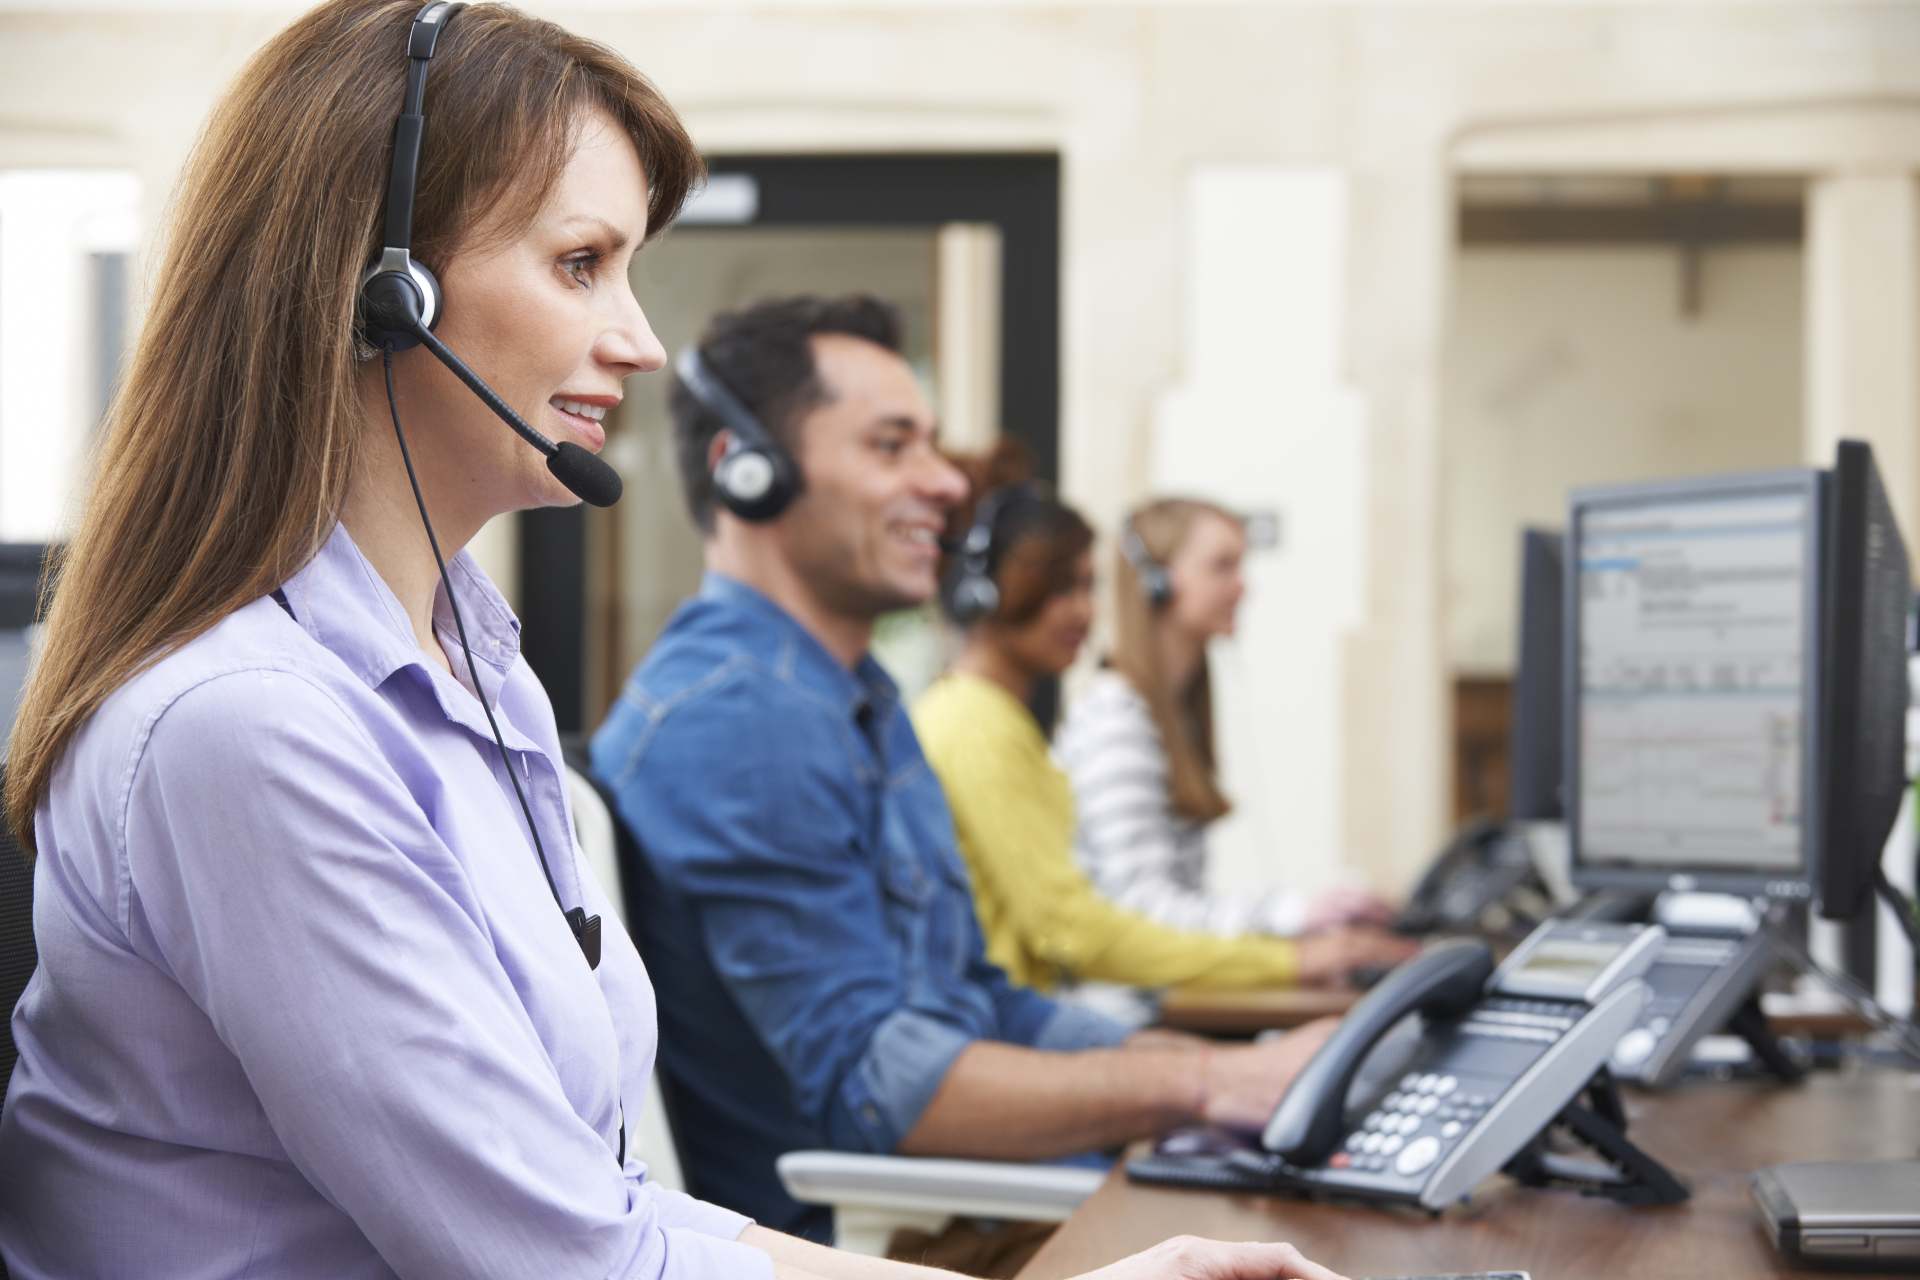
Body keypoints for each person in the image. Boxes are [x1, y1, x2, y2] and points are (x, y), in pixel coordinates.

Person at [0, 5, 1347, 1279]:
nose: (639, 340)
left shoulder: (480, 672)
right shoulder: (248, 727)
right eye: (582, 263)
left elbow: (605, 1207)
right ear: (384, 290)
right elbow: (567, 1259)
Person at [590, 294, 1347, 1259]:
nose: (946, 484)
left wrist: (1218, 1066)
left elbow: (983, 1000)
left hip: (957, 1202)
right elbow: (882, 1088)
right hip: (879, 1236)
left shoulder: (853, 696)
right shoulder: (740, 719)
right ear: (747, 472)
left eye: (933, 446)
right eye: (892, 445)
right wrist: (1203, 1085)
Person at [913, 475, 1415, 1009]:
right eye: (1064, 588)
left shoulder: (998, 720)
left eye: (1090, 587)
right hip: (1054, 1014)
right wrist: (1291, 947)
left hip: (1043, 1013)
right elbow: (1083, 928)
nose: (1085, 612)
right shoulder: (990, 725)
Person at [1053, 498, 1395, 939]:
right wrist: (1288, 916)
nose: (1243, 587)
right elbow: (1137, 910)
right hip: (1126, 1005)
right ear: (1157, 583)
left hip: (1170, 994)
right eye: (1222, 566)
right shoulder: (1116, 721)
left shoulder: (1171, 714)